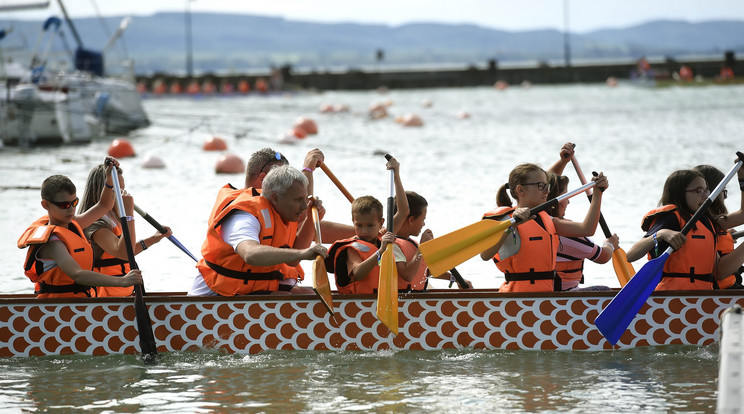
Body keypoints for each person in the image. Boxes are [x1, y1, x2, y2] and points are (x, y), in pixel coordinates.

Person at [188, 165, 327, 296]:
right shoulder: (245, 217)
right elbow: (250, 254)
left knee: (309, 295)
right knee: (285, 299)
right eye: (298, 200)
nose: (304, 206)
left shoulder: (283, 213)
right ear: (275, 198)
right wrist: (303, 253)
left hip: (251, 286)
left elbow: (293, 261)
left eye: (305, 199)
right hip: (215, 291)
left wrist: (310, 220)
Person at [17, 157, 143, 298]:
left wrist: (109, 179)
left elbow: (104, 205)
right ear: (46, 205)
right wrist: (123, 281)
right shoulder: (53, 242)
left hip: (81, 304)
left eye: (74, 203)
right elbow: (77, 274)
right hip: (57, 309)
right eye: (64, 205)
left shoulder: (74, 224)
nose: (71, 210)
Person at [479, 163, 608, 292]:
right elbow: (485, 255)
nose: (547, 191)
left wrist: (597, 194)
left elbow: (587, 229)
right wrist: (511, 226)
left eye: (547, 186)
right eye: (541, 186)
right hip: (516, 300)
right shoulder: (506, 220)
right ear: (520, 190)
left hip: (544, 297)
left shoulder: (547, 220)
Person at [626, 168, 744, 290]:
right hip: (671, 297)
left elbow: (718, 270)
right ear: (680, 193)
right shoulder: (671, 218)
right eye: (699, 191)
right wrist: (661, 234)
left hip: (703, 296)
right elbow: (631, 256)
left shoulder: (706, 222)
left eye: (706, 190)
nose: (705, 196)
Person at [78, 163, 173, 297]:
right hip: (102, 300)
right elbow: (123, 253)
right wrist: (129, 214)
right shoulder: (96, 224)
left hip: (120, 296)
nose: (123, 194)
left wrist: (153, 239)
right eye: (118, 190)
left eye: (123, 189)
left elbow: (127, 250)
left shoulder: (113, 219)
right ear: (104, 190)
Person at [325, 157, 408, 294]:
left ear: (381, 223)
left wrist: (396, 176)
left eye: (370, 225)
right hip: (358, 305)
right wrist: (380, 252)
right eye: (359, 225)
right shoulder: (353, 249)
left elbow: (404, 211)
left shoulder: (383, 236)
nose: (364, 231)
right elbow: (357, 273)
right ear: (353, 221)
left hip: (382, 301)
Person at [546, 143, 617, 291]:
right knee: (605, 291)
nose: (569, 200)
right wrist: (610, 244)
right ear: (556, 202)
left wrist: (563, 161)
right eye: (566, 196)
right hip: (562, 299)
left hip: (536, 292)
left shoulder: (532, 220)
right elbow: (603, 256)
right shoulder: (564, 232)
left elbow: (545, 188)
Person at [392, 191, 472, 291]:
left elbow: (425, 271)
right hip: (402, 300)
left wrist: (456, 279)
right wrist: (421, 249)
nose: (423, 224)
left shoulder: (412, 243)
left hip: (416, 297)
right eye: (423, 219)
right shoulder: (393, 245)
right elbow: (408, 275)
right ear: (411, 220)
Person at [691, 164, 744, 289]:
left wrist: (742, 179)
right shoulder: (700, 225)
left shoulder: (712, 222)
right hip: (718, 293)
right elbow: (720, 273)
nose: (725, 197)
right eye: (723, 192)